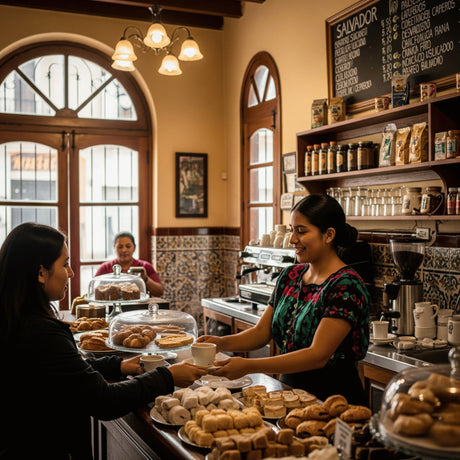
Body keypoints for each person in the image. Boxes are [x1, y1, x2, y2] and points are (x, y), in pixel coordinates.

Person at [0, 223, 206, 459]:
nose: (71, 273)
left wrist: (115, 364)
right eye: (65, 264)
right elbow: (104, 401)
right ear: (40, 272)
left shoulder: (16, 318)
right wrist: (167, 376)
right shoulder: (42, 332)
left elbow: (60, 373)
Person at [198, 194, 370, 405]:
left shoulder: (346, 285)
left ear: (329, 235)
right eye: (291, 230)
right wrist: (220, 343)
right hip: (288, 393)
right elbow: (262, 332)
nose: (292, 240)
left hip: (333, 400)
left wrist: (249, 366)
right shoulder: (290, 276)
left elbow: (318, 354)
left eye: (301, 231)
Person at [96, 231, 164, 297]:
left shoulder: (145, 266)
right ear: (114, 247)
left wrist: (145, 278)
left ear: (134, 247)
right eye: (120, 247)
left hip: (140, 307)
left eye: (128, 246)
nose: (124, 250)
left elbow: (160, 292)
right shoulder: (105, 268)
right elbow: (93, 291)